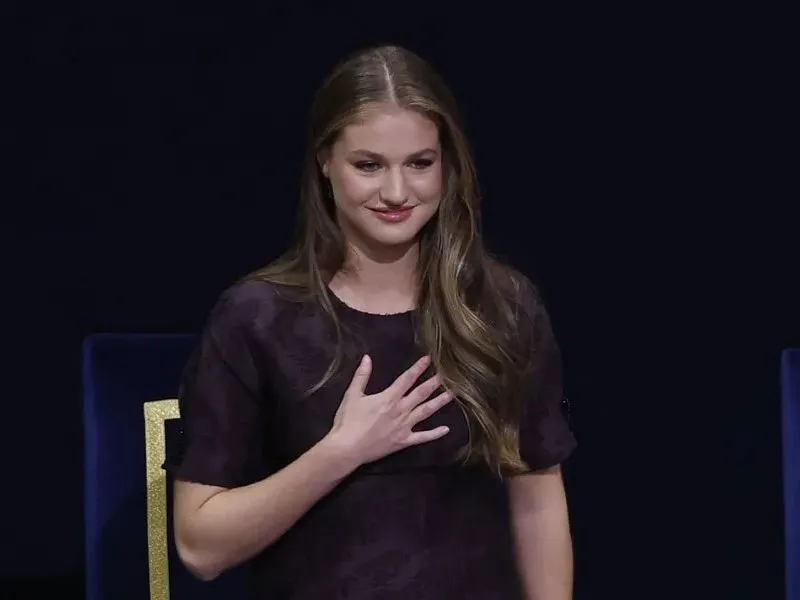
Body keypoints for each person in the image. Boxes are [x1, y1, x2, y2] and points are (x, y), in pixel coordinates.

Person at [166, 44, 577, 599]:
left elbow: (537, 503)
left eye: (420, 164)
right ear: (324, 162)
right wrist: (341, 452)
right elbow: (200, 547)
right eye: (368, 165)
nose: (397, 192)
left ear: (447, 164)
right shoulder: (256, 318)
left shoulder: (503, 307)